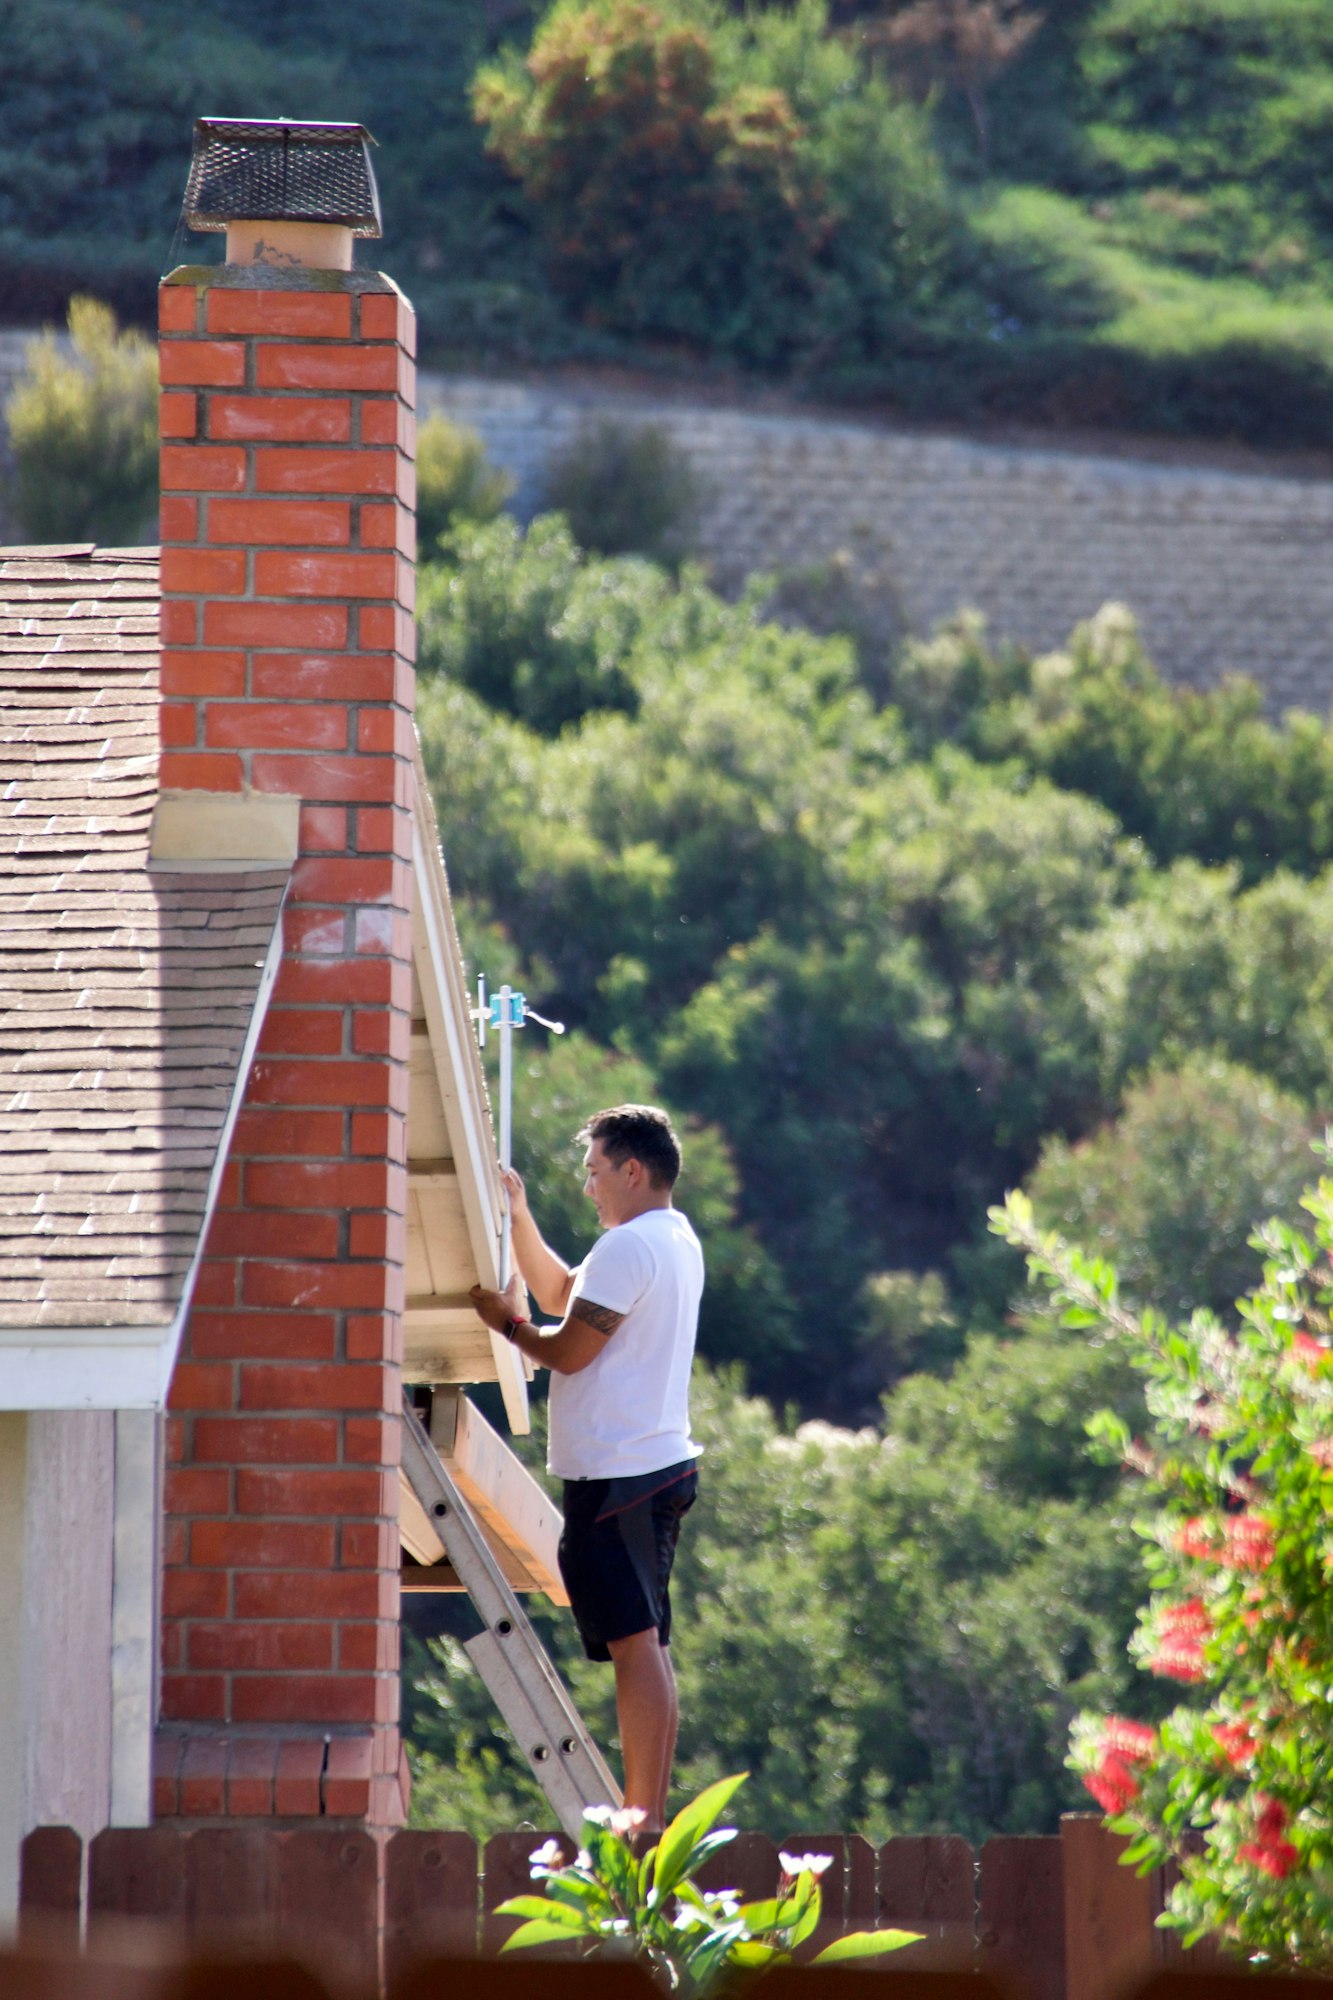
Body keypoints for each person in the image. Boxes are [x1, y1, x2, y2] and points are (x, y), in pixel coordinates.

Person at [469, 1103, 703, 1829]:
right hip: (641, 1469)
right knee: (644, 1642)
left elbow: (567, 1347)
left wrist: (504, 1325)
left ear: (632, 1171)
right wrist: (518, 1215)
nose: (588, 1185)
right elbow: (562, 1296)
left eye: (595, 1170)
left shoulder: (632, 1248)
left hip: (622, 1475)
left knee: (637, 1647)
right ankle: (647, 1812)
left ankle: (643, 1818)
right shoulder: (667, 1238)